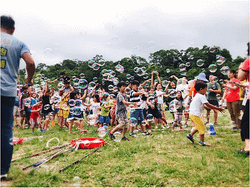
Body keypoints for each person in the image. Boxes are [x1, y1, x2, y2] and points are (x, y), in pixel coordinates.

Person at [1, 15, 35, 180]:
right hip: (8, 92)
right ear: (12, 30)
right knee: (6, 129)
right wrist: (28, 80)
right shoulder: (19, 43)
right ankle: (2, 170)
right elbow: (30, 63)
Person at [186, 82, 224, 146]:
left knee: (198, 126)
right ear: (201, 89)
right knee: (201, 127)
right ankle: (202, 142)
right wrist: (218, 108)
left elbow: (203, 105)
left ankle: (190, 135)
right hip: (195, 114)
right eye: (205, 89)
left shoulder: (197, 95)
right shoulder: (201, 96)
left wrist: (211, 108)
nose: (206, 91)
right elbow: (207, 104)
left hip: (192, 114)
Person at [237, 42, 250, 155]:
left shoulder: (248, 61)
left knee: (246, 122)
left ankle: (248, 148)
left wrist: (241, 67)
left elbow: (241, 77)